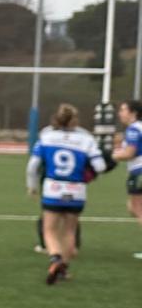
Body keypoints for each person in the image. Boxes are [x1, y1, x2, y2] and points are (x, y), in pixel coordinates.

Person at [27, 103, 106, 284]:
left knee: (50, 230)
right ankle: (64, 269)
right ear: (75, 120)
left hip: (53, 188)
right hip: (76, 189)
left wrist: (32, 186)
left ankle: (55, 259)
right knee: (70, 231)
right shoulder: (85, 139)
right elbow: (100, 166)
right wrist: (89, 174)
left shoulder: (47, 137)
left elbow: (32, 167)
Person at [113, 99, 142, 259]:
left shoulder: (133, 129)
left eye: (123, 110)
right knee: (133, 208)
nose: (120, 113)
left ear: (133, 113)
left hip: (139, 172)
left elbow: (129, 153)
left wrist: (111, 157)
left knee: (138, 210)